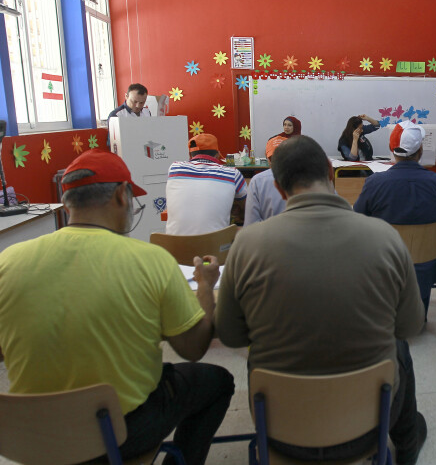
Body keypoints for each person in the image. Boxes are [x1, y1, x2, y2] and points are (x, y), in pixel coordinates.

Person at [0, 149, 234, 464]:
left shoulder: (8, 261)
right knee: (218, 381)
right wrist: (205, 284)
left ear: (67, 203)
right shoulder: (151, 260)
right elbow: (194, 348)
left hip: (30, 435)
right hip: (120, 433)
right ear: (122, 196)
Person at [216, 136, 427, 464]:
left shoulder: (247, 245)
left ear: (279, 188)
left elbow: (230, 336)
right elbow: (411, 326)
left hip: (280, 432)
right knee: (399, 348)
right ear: (331, 172)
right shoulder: (385, 237)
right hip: (368, 427)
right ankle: (407, 445)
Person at [354, 121, 436, 308]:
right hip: (428, 268)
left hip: (386, 267)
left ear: (391, 149)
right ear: (421, 150)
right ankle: (419, 315)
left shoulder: (374, 183)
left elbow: (358, 221)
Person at [165, 133, 247, 235]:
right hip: (217, 244)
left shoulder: (175, 168)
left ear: (190, 155)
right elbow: (246, 206)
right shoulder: (232, 173)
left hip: (174, 243)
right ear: (217, 155)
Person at [244, 136, 287, 224]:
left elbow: (251, 224)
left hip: (267, 231)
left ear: (267, 159)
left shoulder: (257, 181)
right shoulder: (306, 178)